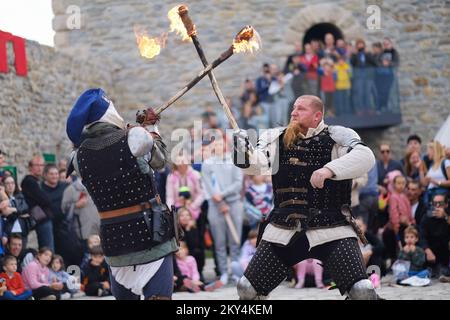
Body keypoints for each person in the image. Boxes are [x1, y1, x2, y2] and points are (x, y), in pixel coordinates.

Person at [233, 95, 378, 299]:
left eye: (300, 109)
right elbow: (256, 166)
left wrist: (329, 170)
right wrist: (242, 149)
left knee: (362, 291)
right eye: (293, 108)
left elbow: (366, 157)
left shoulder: (338, 135)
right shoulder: (275, 137)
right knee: (246, 289)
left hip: (333, 228)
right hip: (284, 228)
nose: (293, 113)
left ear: (317, 116)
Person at [66, 88, 178, 300]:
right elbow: (160, 160)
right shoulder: (134, 136)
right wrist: (151, 128)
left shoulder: (78, 156)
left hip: (114, 242)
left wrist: (139, 131)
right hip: (149, 235)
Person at [202, 134, 244, 286]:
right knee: (219, 242)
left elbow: (238, 184)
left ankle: (235, 271)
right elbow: (207, 184)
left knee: (235, 240)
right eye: (215, 145)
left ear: (225, 145)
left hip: (233, 203)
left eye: (220, 144)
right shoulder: (207, 164)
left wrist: (223, 195)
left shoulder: (234, 161)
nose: (218, 147)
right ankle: (224, 272)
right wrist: (218, 199)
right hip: (215, 205)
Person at [21, 155, 54, 251]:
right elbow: (45, 200)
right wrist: (48, 199)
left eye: (42, 165)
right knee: (48, 250)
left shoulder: (36, 181)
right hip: (41, 218)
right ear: (30, 167)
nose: (40, 168)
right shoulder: (29, 181)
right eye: (37, 165)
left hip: (42, 217)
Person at [61, 177, 100, 252]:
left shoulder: (98, 185)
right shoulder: (70, 189)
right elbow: (63, 209)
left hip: (99, 230)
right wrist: (75, 205)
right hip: (82, 232)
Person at [419, 193, 450, 279]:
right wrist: (428, 251)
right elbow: (422, 236)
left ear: (446, 204)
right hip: (430, 251)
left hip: (445, 251)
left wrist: (445, 217)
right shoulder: (427, 217)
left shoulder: (448, 215)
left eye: (440, 203)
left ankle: (442, 270)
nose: (437, 206)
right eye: (435, 203)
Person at [166, 155, 204, 220]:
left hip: (194, 208)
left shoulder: (195, 175)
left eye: (183, 161)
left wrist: (193, 206)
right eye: (178, 161)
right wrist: (171, 210)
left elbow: (201, 194)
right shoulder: (171, 177)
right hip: (177, 210)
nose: (181, 164)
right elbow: (170, 197)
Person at [1, 176, 31, 247]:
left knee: (22, 251)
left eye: (12, 183)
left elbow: (26, 207)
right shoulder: (2, 199)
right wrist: (19, 211)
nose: (10, 185)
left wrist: (14, 209)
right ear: (3, 185)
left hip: (22, 229)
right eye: (7, 183)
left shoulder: (21, 196)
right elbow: (8, 214)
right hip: (8, 231)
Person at [177, 207, 205, 282]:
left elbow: (194, 244)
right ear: (178, 218)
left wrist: (188, 229)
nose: (185, 217)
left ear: (190, 217)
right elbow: (181, 243)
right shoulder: (177, 230)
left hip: (191, 252)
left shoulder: (193, 228)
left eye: (187, 215)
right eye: (182, 215)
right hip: (180, 253)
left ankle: (199, 273)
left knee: (198, 251)